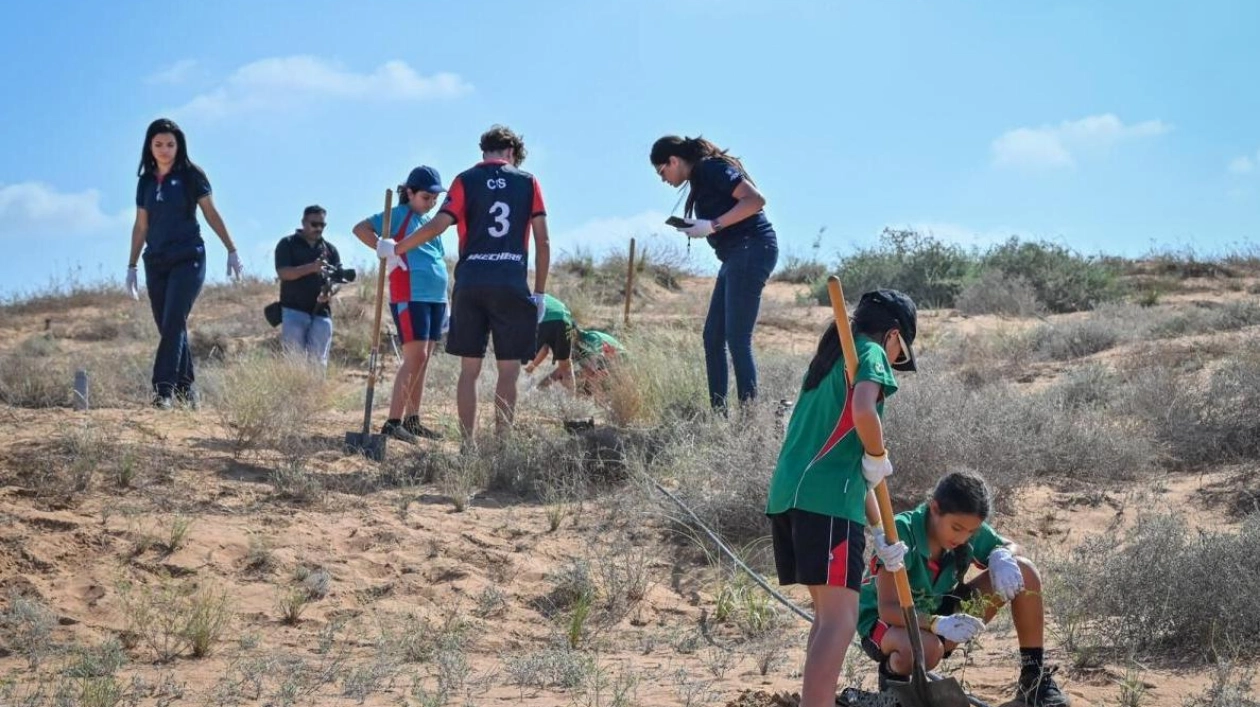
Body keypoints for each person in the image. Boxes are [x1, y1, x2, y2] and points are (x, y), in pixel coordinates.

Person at [764, 289, 918, 707]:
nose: (896, 359)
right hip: (825, 502)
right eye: (900, 349)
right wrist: (878, 454)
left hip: (794, 497)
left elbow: (848, 463)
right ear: (893, 335)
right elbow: (865, 411)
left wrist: (879, 532)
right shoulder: (870, 353)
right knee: (841, 619)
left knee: (828, 617)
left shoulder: (830, 360)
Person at [379, 126, 550, 444]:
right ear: (511, 153)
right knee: (509, 371)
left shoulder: (465, 180)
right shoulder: (528, 182)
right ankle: (501, 444)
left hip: (471, 283)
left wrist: (397, 248)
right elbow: (543, 241)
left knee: (468, 371)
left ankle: (468, 446)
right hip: (511, 281)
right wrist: (539, 291)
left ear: (484, 152)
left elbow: (437, 224)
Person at [857, 470, 1069, 707]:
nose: (963, 537)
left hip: (939, 612)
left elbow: (1011, 547)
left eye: (972, 531)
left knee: (1024, 570)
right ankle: (893, 686)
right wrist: (937, 623)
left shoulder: (967, 532)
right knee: (926, 649)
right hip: (888, 625)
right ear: (935, 508)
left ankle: (1034, 680)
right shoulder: (901, 532)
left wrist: (1004, 554)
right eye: (957, 528)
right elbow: (888, 609)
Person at [650, 135, 778, 412]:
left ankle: (749, 418)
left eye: (663, 171)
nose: (663, 179)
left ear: (674, 160)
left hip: (751, 248)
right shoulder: (700, 177)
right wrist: (703, 226)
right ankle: (719, 416)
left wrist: (713, 225)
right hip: (735, 255)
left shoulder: (710, 168)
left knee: (737, 337)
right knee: (712, 337)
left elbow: (755, 200)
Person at [127, 117, 242, 410]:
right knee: (168, 326)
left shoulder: (192, 175)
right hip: (156, 261)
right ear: (149, 147)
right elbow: (141, 226)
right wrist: (132, 266)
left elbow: (211, 214)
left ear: (179, 146)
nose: (164, 150)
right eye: (158, 144)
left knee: (175, 319)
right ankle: (187, 389)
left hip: (188, 257)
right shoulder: (145, 182)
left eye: (170, 144)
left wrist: (231, 249)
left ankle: (162, 392)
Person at [352, 166, 450, 443]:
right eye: (426, 197)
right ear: (410, 193)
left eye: (434, 198)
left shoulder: (428, 222)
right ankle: (393, 423)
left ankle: (413, 420)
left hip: (436, 298)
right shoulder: (398, 215)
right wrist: (382, 247)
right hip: (410, 294)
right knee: (414, 357)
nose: (431, 202)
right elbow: (360, 229)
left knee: (425, 359)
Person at [274, 205, 342, 367]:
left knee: (318, 363)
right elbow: (283, 273)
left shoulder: (330, 250)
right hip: (293, 310)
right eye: (314, 224)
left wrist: (330, 292)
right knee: (294, 362)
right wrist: (311, 268)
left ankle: (317, 392)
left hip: (322, 312)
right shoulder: (287, 244)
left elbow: (338, 279)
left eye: (322, 225)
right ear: (304, 222)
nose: (318, 228)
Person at [523, 293, 577, 392]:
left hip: (544, 319)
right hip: (564, 319)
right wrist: (532, 367)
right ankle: (571, 400)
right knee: (565, 365)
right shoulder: (541, 296)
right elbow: (545, 349)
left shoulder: (523, 297)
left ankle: (518, 390)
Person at [570, 326, 626, 396]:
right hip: (606, 358)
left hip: (621, 359)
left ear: (574, 333)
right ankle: (588, 392)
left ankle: (595, 394)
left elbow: (594, 364)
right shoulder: (577, 343)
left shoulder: (590, 338)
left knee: (591, 371)